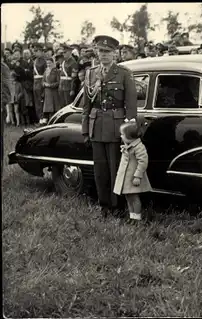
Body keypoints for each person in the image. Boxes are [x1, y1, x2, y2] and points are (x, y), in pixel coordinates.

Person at [81, 35, 138, 218]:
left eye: (108, 52)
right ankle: (104, 205)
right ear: (96, 52)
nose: (103, 55)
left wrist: (128, 133)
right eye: (101, 51)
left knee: (116, 169)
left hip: (116, 128)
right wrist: (85, 130)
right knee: (100, 170)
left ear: (115, 54)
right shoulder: (91, 73)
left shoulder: (123, 73)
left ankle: (117, 206)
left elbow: (131, 105)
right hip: (96, 126)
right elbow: (86, 106)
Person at [113, 120, 152, 222]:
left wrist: (138, 176)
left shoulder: (139, 147)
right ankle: (132, 217)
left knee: (134, 198)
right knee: (128, 198)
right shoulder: (128, 145)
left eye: (122, 134)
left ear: (129, 137)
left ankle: (137, 218)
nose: (121, 136)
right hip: (126, 178)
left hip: (133, 178)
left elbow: (143, 162)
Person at [41, 57, 61, 124]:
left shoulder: (57, 71)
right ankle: (47, 122)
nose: (48, 65)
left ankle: (54, 122)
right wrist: (44, 84)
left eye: (50, 63)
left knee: (54, 108)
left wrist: (50, 85)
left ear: (53, 63)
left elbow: (58, 82)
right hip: (47, 92)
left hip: (53, 92)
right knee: (48, 109)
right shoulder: (46, 71)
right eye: (47, 63)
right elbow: (42, 81)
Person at [32, 43, 47, 123]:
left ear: (41, 51)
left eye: (36, 51)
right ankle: (39, 119)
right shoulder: (35, 60)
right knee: (37, 102)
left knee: (42, 101)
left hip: (41, 82)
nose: (34, 52)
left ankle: (43, 119)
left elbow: (46, 73)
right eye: (34, 51)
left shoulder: (44, 61)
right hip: (35, 83)